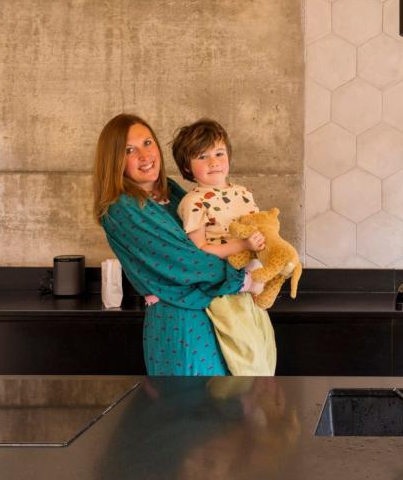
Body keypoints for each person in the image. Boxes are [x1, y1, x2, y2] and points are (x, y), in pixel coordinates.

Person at [93, 113, 254, 376]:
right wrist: (245, 281)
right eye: (130, 150)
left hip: (215, 312)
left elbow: (212, 236)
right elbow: (188, 262)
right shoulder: (121, 207)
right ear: (115, 162)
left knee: (226, 409)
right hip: (181, 323)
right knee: (193, 409)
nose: (144, 156)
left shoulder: (171, 190)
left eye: (147, 143)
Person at [166, 118, 277, 376]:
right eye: (202, 156)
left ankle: (262, 407)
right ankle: (246, 409)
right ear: (187, 166)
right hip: (225, 286)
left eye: (219, 153)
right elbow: (201, 250)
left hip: (255, 285)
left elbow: (261, 230)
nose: (214, 162)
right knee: (244, 355)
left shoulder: (243, 193)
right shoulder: (193, 202)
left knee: (264, 350)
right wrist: (243, 244)